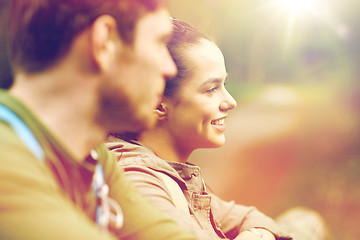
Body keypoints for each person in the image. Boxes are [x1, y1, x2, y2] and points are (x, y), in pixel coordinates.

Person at [0, 1, 198, 240]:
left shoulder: (93, 157)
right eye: (159, 44)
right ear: (104, 42)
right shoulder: (6, 161)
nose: (170, 69)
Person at [107, 18, 297, 240]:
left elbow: (250, 217)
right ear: (157, 102)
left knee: (304, 219)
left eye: (224, 85)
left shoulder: (175, 175)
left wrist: (258, 234)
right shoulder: (137, 182)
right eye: (211, 89)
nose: (231, 101)